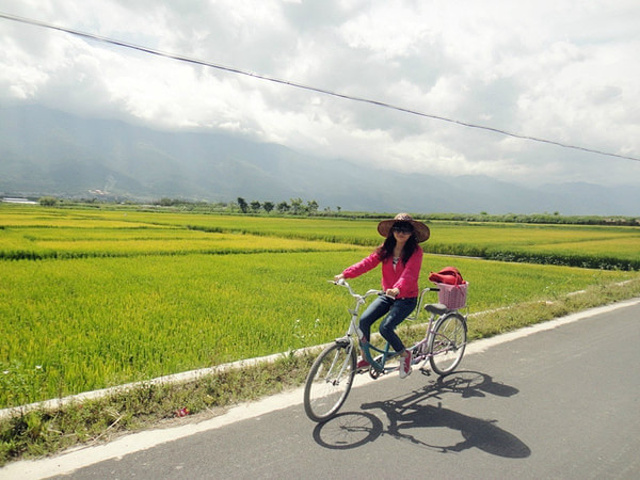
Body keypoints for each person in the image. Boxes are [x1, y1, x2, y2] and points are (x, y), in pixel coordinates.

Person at [334, 213, 430, 378]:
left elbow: (410, 273)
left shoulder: (415, 252)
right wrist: (345, 274)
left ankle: (404, 355)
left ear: (412, 233)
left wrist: (397, 288)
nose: (401, 233)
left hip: (406, 298)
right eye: (398, 228)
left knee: (385, 327)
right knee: (364, 320)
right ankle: (365, 358)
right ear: (392, 231)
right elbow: (368, 262)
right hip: (388, 295)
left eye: (406, 229)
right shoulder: (386, 249)